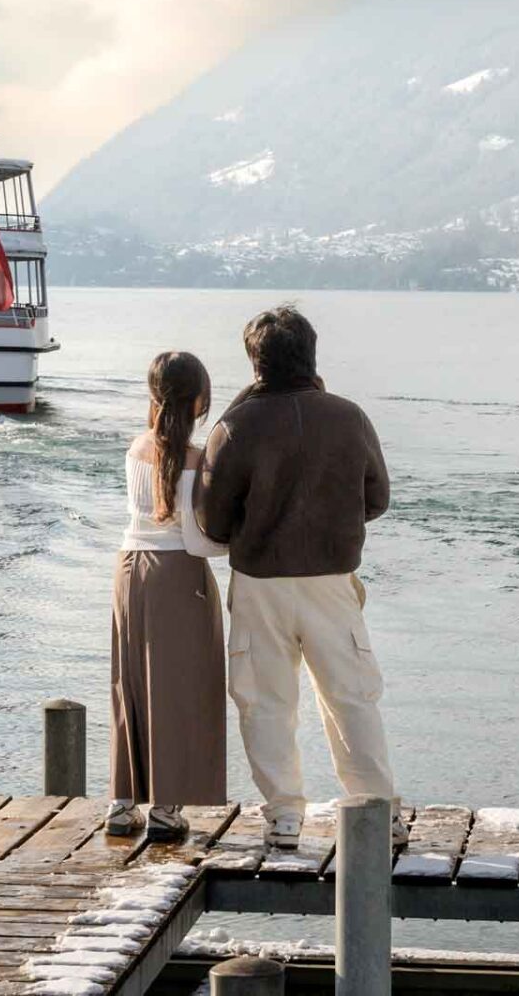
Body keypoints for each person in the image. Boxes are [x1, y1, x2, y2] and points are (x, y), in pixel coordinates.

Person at [196, 306, 404, 850]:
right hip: (332, 580)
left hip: (260, 580)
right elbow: (377, 499)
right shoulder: (349, 416)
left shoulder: (235, 426)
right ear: (312, 354)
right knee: (351, 696)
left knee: (264, 701)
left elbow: (210, 521)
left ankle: (285, 815)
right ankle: (375, 809)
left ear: (254, 363)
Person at [109, 351, 229, 841]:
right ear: (199, 399)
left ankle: (121, 805)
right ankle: (166, 809)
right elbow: (197, 541)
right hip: (177, 575)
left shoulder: (135, 448)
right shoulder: (199, 460)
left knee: (130, 684)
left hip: (127, 569)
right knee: (180, 689)